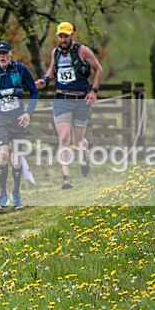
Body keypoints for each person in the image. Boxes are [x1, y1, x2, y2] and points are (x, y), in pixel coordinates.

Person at [35, 22, 103, 189]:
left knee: (79, 141)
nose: (63, 39)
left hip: (80, 101)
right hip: (62, 100)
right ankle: (66, 178)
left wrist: (94, 91)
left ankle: (84, 160)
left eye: (66, 36)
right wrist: (44, 80)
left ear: (72, 35)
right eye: (60, 36)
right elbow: (52, 71)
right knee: (64, 138)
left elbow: (99, 69)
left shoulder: (82, 50)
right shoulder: (56, 52)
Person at [0, 41, 39, 211]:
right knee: (4, 153)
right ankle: (2, 194)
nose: (2, 56)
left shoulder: (21, 70)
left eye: (5, 52)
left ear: (11, 53)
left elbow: (34, 92)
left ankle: (16, 194)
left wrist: (28, 112)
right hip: (0, 119)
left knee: (17, 158)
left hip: (18, 119)